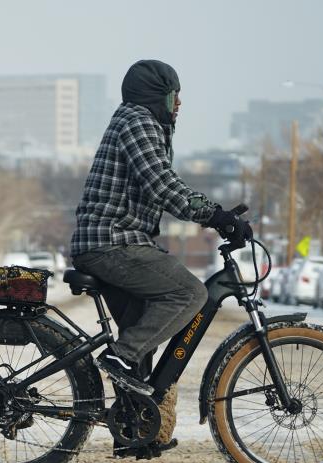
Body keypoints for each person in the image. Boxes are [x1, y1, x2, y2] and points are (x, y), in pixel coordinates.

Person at [70, 60, 251, 396]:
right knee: (189, 293)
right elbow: (161, 185)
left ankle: (135, 428)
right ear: (156, 96)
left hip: (115, 241)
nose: (179, 103)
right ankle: (119, 357)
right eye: (174, 96)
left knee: (143, 333)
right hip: (111, 242)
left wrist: (218, 215)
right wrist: (215, 216)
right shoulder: (138, 122)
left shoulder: (141, 121)